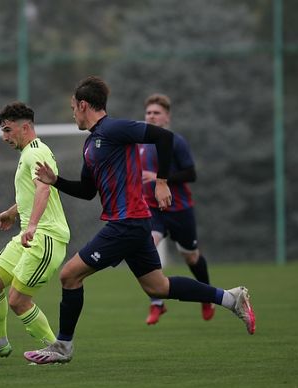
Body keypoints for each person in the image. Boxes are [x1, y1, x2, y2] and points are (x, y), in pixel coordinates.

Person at [24, 76, 255, 365]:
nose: (73, 114)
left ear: (83, 105)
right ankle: (231, 299)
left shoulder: (114, 128)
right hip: (134, 223)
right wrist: (55, 181)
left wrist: (161, 181)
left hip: (127, 223)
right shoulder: (90, 144)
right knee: (157, 288)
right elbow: (86, 191)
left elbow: (164, 137)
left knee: (69, 275)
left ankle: (63, 346)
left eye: (73, 108)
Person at [0, 102, 70, 360]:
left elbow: (44, 188)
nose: (4, 137)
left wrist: (33, 225)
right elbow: (33, 191)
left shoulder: (36, 152)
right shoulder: (29, 153)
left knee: (18, 300)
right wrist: (13, 212)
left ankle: (58, 349)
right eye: (2, 131)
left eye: (8, 130)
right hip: (29, 233)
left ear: (25, 127)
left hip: (45, 237)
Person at [140, 93, 215, 325]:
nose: (152, 116)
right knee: (145, 247)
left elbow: (191, 174)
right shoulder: (140, 143)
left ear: (167, 117)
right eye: (149, 112)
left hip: (179, 209)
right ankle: (156, 303)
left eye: (157, 113)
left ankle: (206, 297)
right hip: (153, 210)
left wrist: (159, 177)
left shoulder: (176, 141)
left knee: (191, 257)